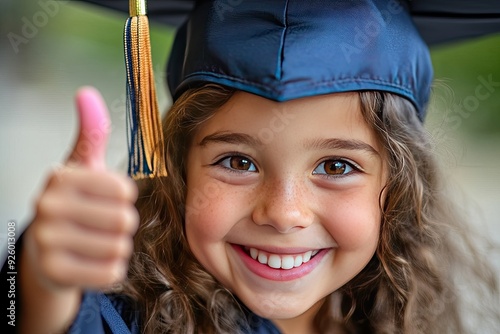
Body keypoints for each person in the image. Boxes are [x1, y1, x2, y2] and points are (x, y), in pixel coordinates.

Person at [10, 1, 500, 333]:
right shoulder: (136, 315)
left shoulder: (399, 319)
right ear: (178, 172)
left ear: (398, 187)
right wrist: (44, 281)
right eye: (238, 161)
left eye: (335, 166)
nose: (284, 213)